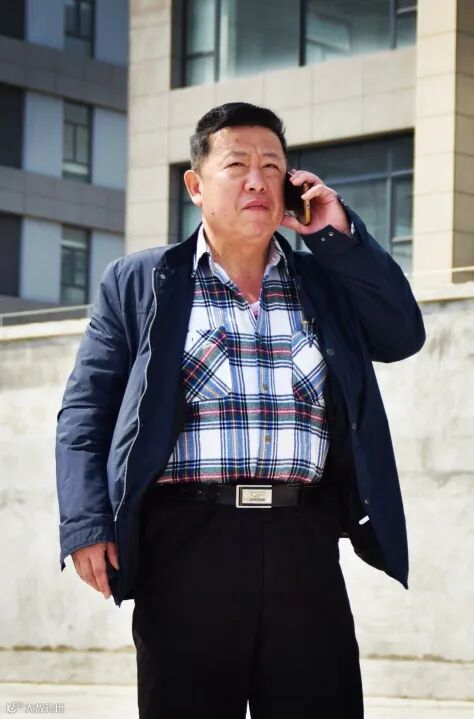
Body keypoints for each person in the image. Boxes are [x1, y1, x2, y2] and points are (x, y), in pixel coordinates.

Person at [55, 102, 426, 719]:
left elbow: (401, 334)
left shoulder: (323, 282)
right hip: (186, 544)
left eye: (272, 167)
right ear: (196, 185)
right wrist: (85, 522)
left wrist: (335, 233)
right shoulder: (141, 281)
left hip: (303, 541)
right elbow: (85, 410)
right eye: (237, 165)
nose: (258, 180)